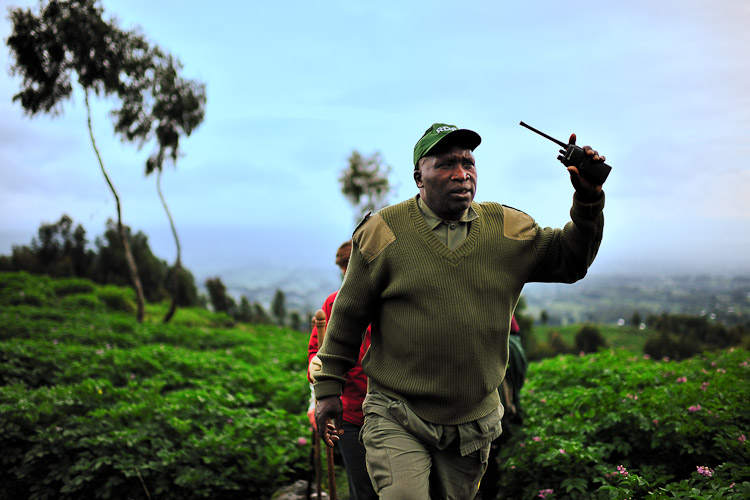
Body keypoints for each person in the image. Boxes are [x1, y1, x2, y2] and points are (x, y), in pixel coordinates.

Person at [314, 122, 607, 499]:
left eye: (468, 162)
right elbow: (348, 317)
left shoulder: (507, 229)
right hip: (398, 413)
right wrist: (328, 389)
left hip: (472, 422)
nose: (461, 173)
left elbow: (571, 259)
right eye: (446, 164)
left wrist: (588, 199)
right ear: (419, 175)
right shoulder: (382, 232)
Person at [307, 240, 378, 500]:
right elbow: (315, 350)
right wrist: (315, 367)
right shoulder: (333, 304)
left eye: (352, 267)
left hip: (394, 413)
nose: (348, 275)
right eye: (344, 269)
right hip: (348, 414)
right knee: (362, 488)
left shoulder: (390, 303)